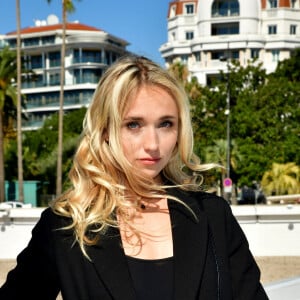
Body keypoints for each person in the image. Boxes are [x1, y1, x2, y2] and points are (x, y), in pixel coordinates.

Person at [0, 56, 268, 300]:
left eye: (166, 124)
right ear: (105, 130)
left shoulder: (213, 216)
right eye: (133, 125)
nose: (153, 144)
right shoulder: (66, 226)